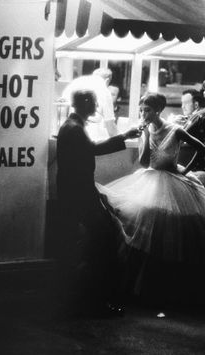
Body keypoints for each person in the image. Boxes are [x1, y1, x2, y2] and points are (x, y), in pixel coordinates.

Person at [100, 93, 205, 310]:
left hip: (173, 179)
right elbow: (144, 162)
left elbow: (202, 148)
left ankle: (175, 288)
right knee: (142, 221)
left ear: (158, 110)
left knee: (175, 226)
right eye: (141, 110)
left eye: (147, 110)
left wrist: (186, 169)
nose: (143, 114)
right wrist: (145, 136)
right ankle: (144, 286)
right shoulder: (147, 130)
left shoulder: (174, 128)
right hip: (151, 178)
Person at [56, 89, 141, 317]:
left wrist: (123, 137)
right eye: (94, 102)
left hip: (75, 194)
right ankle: (96, 299)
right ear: (85, 103)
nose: (97, 106)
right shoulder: (75, 129)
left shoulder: (71, 126)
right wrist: (124, 137)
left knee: (94, 245)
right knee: (103, 243)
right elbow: (92, 150)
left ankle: (88, 298)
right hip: (81, 194)